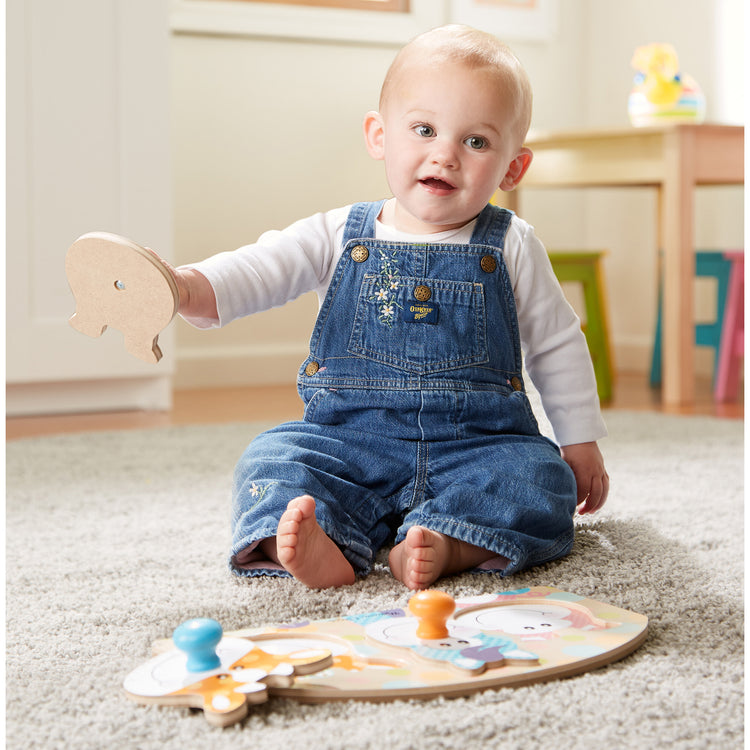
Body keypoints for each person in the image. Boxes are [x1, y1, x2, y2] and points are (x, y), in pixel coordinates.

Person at [169, 25, 609, 591]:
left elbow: (557, 342)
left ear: (512, 168)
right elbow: (259, 269)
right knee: (272, 458)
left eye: (476, 142)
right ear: (379, 135)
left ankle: (446, 542)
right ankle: (320, 543)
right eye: (423, 130)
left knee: (541, 479)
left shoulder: (513, 243)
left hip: (478, 446)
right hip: (350, 441)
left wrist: (579, 441)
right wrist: (185, 286)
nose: (444, 155)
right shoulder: (338, 232)